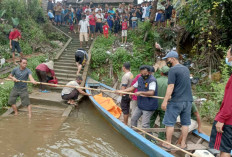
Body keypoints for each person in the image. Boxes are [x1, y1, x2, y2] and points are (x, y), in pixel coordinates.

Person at [161, 50, 193, 150]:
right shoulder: (186, 69)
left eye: (167, 59)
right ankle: (182, 143)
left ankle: (168, 143)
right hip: (188, 101)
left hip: (176, 101)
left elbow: (171, 86)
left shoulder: (173, 70)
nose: (167, 61)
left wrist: (165, 101)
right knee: (185, 123)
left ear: (173, 59)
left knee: (169, 122)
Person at [118, 65, 158, 130]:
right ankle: (134, 133)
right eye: (141, 74)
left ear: (149, 73)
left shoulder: (152, 80)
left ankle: (149, 139)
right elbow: (132, 87)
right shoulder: (140, 78)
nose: (143, 75)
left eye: (145, 74)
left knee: (145, 125)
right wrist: (122, 91)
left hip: (149, 106)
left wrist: (140, 92)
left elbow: (151, 92)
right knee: (133, 119)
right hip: (140, 105)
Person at [209, 48, 232, 157]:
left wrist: (222, 119)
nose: (226, 58)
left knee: (224, 148)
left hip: (228, 121)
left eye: (227, 55)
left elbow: (229, 101)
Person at [150, 66, 170, 140]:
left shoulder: (155, 80)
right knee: (163, 121)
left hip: (154, 104)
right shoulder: (170, 83)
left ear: (161, 73)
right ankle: (161, 137)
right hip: (164, 105)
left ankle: (148, 134)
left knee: (151, 119)